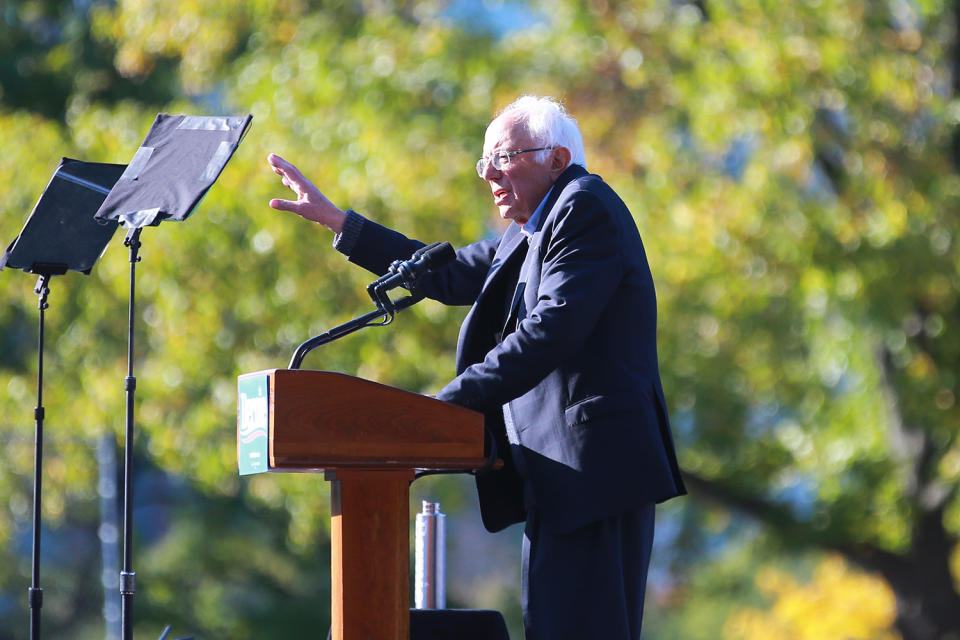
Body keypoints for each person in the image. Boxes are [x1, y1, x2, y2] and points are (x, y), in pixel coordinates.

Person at [267, 95, 685, 640]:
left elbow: (547, 332)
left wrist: (438, 410)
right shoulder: (531, 227)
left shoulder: (586, 209)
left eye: (504, 158)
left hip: (596, 470)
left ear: (557, 159)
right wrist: (342, 224)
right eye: (484, 160)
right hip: (560, 478)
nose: (488, 172)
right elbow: (444, 274)